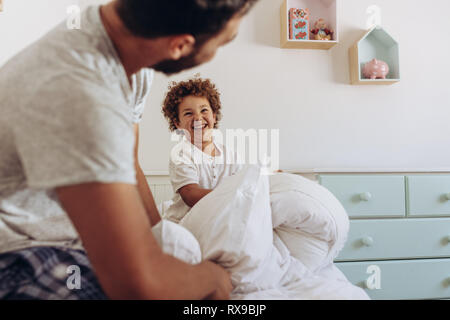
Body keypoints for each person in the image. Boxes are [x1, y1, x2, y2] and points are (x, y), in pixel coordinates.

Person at [0, 0, 258, 300]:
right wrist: (213, 278)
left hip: (70, 239)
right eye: (226, 41)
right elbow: (140, 286)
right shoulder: (82, 97)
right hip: (20, 254)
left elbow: (128, 161)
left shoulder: (128, 56)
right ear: (179, 45)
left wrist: (161, 239)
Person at [161, 77, 244, 223]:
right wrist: (230, 195)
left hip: (214, 221)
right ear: (177, 123)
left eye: (204, 110)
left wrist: (268, 178)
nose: (198, 118)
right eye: (188, 113)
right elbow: (191, 195)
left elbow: (244, 182)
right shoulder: (181, 154)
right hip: (183, 223)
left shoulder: (230, 154)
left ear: (214, 116)